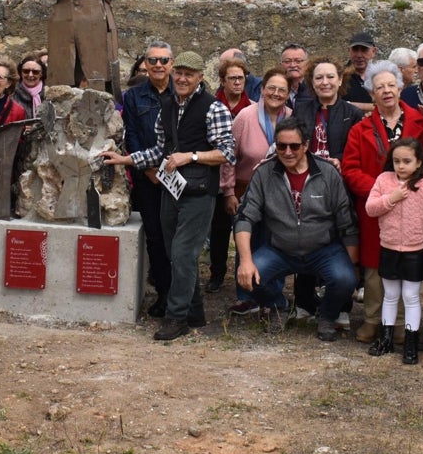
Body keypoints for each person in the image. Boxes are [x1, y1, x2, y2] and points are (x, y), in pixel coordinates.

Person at [102, 51, 234, 341]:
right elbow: (160, 151)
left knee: (184, 254)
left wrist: (191, 156)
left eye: (190, 74)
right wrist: (124, 159)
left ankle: (176, 318)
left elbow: (227, 153)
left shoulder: (214, 109)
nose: (183, 78)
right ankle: (195, 312)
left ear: (201, 77)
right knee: (177, 254)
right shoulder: (168, 106)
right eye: (180, 73)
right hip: (171, 190)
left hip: (199, 192)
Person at [234, 118, 358, 341]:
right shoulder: (264, 174)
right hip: (280, 249)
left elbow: (346, 220)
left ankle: (327, 316)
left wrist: (353, 265)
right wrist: (245, 261)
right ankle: (279, 306)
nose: (288, 151)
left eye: (294, 146)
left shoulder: (328, 173)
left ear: (306, 145)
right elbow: (244, 217)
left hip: (323, 248)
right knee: (248, 276)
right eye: (281, 146)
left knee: (346, 278)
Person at [342, 60, 423, 343]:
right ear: (372, 94)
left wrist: (413, 190)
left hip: (411, 205)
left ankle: (402, 324)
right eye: (380, 87)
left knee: (406, 261)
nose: (387, 91)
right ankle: (371, 319)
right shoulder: (360, 128)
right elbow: (351, 168)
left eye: (391, 85)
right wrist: (379, 192)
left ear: (400, 88)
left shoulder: (420, 122)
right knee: (375, 266)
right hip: (375, 208)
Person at [365, 138, 423, 364]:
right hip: (389, 247)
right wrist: (391, 199)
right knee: (391, 295)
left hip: (415, 250)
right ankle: (385, 340)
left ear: (418, 163)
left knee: (411, 296)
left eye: (407, 161)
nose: (401, 166)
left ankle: (410, 342)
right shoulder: (384, 180)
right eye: (396, 161)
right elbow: (370, 208)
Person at [294, 56, 364, 324]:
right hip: (305, 185)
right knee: (305, 240)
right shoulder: (301, 110)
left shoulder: (352, 113)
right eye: (319, 77)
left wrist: (341, 160)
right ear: (312, 82)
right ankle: (304, 304)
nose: (325, 82)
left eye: (330, 77)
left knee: (339, 245)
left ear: (340, 80)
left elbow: (357, 151)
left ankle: (341, 306)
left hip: (339, 189)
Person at [220, 67, 291, 315]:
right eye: (271, 88)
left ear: (288, 94)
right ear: (261, 90)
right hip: (245, 189)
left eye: (282, 89)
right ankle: (245, 296)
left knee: (274, 242)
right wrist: (229, 191)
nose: (276, 93)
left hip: (279, 194)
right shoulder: (245, 117)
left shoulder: (291, 118)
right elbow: (229, 157)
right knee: (246, 240)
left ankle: (271, 294)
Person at [119, 41, 175, 317]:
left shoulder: (184, 91)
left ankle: (182, 295)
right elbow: (131, 135)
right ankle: (164, 295)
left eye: (163, 60)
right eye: (152, 60)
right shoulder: (134, 96)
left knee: (177, 238)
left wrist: (167, 169)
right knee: (155, 237)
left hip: (178, 176)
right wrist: (149, 170)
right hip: (147, 178)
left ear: (171, 64)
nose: (158, 65)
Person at [207, 56, 254, 293]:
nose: (237, 82)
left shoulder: (253, 109)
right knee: (219, 228)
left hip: (246, 180)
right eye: (232, 78)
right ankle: (217, 272)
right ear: (222, 81)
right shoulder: (212, 106)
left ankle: (245, 277)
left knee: (246, 229)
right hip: (217, 177)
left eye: (241, 78)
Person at [344, 31, 376, 114]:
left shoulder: (380, 77)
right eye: (355, 50)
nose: (359, 55)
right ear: (349, 51)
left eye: (364, 50)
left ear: (373, 52)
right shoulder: (340, 77)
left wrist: (349, 105)